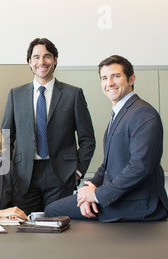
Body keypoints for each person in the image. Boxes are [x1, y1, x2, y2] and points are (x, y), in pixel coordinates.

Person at [45, 55, 168, 222]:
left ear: (131, 79)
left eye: (116, 76)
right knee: (54, 208)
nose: (109, 83)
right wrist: (88, 189)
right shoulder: (120, 113)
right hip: (118, 196)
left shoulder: (143, 113)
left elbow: (140, 167)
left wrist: (97, 195)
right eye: (104, 78)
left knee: (53, 210)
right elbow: (107, 164)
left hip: (137, 203)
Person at [1, 37, 95, 213]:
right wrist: (8, 173)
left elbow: (87, 139)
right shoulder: (16, 95)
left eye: (47, 56)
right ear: (30, 62)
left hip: (61, 174)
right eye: (36, 57)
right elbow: (6, 137)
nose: (41, 62)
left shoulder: (73, 94)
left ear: (55, 59)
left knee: (59, 229)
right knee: (27, 231)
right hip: (24, 175)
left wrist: (78, 172)